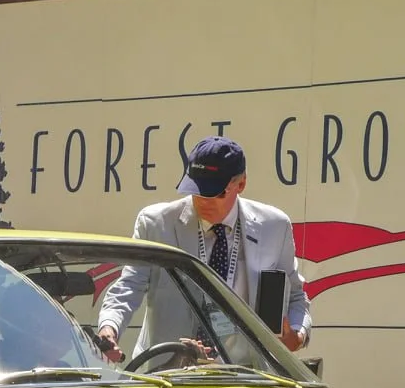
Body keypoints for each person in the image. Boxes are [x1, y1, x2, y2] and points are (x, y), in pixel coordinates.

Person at [96, 136, 310, 361]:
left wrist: (297, 335)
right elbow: (129, 285)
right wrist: (110, 327)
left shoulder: (274, 226)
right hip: (168, 369)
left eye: (215, 192)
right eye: (196, 190)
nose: (203, 200)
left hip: (244, 374)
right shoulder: (155, 224)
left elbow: (296, 296)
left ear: (241, 184)